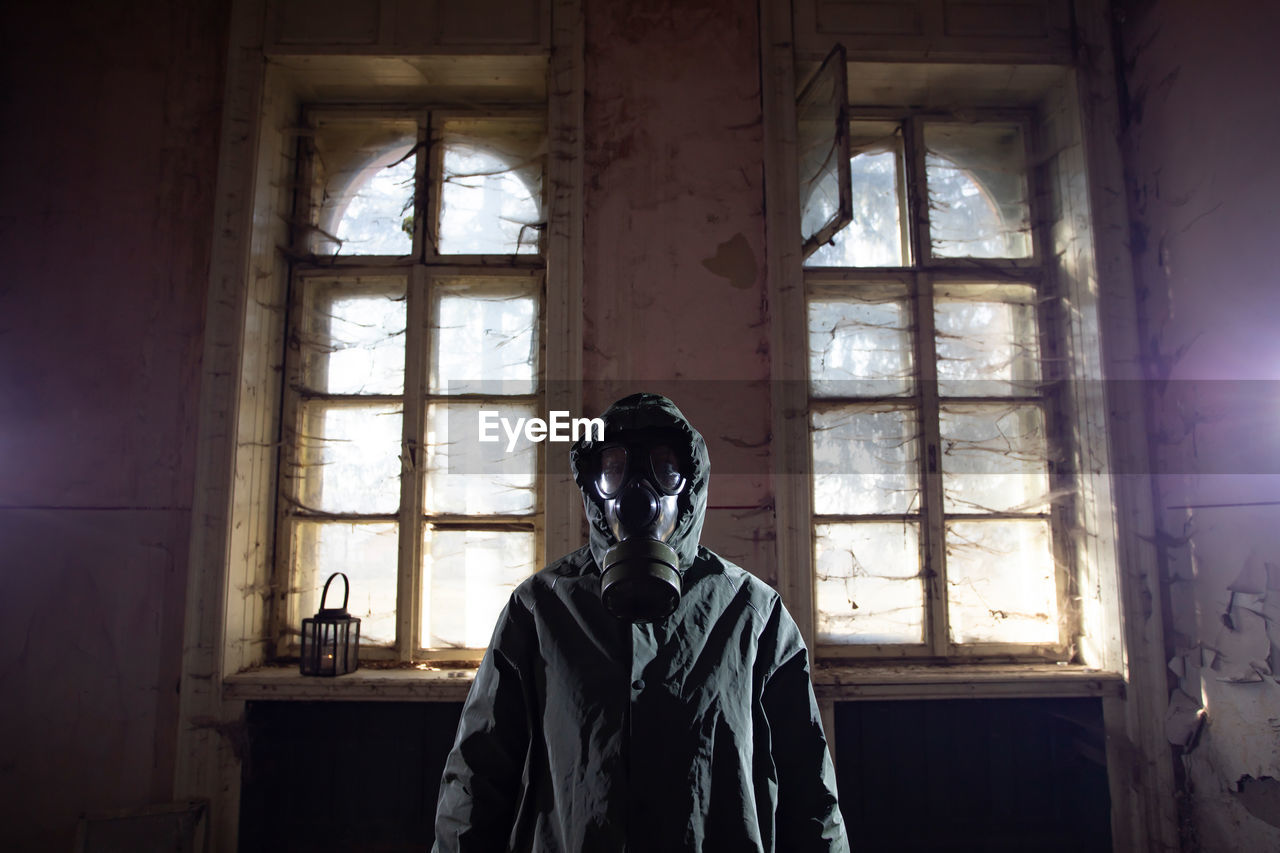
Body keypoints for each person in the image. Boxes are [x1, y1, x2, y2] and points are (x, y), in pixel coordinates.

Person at [433, 393, 849, 852]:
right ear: (593, 488)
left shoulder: (753, 614)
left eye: (663, 468)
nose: (637, 493)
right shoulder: (539, 611)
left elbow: (809, 791)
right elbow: (476, 781)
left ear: (689, 485)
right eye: (614, 470)